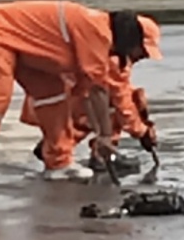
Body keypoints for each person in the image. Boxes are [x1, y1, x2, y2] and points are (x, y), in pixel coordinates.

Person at [0, 1, 162, 191]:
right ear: (131, 39)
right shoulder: (97, 32)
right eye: (142, 51)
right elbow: (98, 90)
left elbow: (89, 92)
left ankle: (59, 163)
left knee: (53, 94)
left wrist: (103, 135)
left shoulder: (105, 42)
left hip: (28, 46)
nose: (142, 57)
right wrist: (104, 136)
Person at [21, 64, 157, 176]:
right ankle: (102, 156)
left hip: (54, 98)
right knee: (117, 104)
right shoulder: (116, 63)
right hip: (70, 100)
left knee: (92, 109)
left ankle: (54, 145)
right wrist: (142, 131)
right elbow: (124, 105)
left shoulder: (108, 54)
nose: (144, 56)